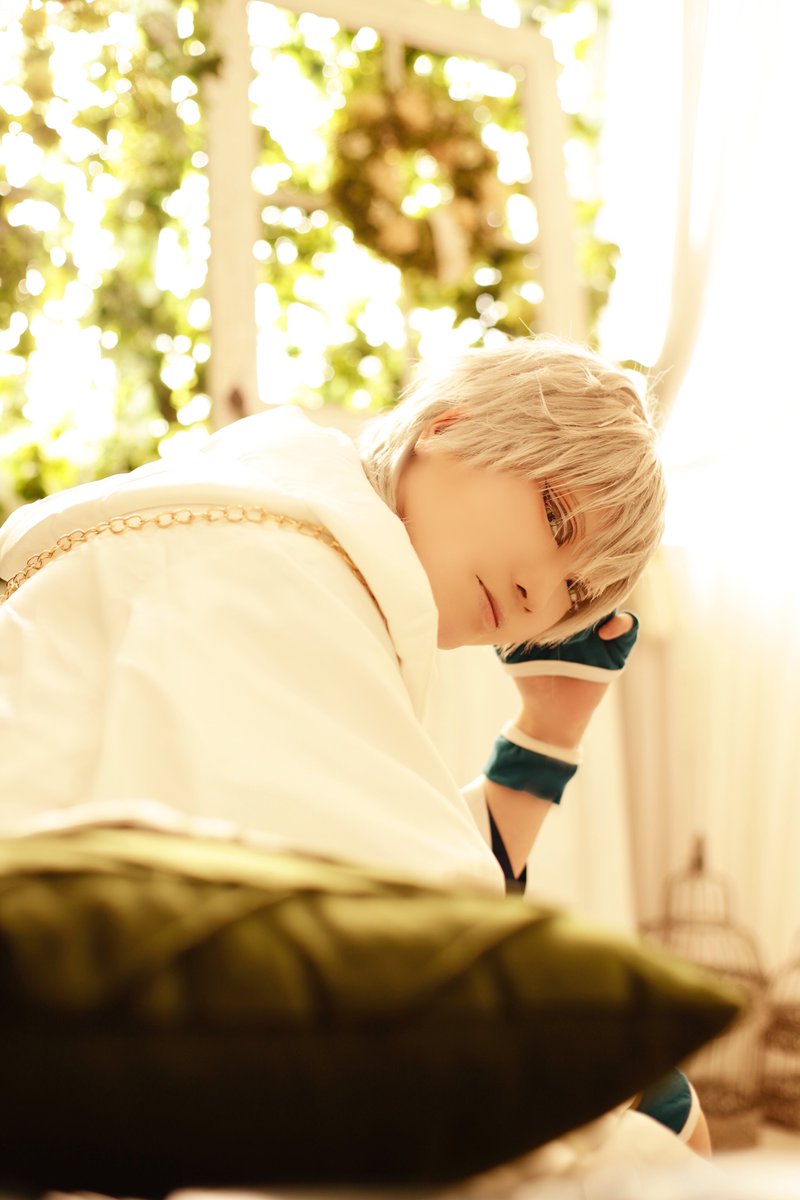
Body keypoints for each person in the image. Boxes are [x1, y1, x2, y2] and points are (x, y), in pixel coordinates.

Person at [0, 333, 705, 1149]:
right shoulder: (283, 570)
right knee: (664, 1114)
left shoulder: (274, 530)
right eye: (555, 516)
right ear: (446, 426)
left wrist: (549, 731)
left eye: (575, 592)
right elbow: (428, 940)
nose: (535, 596)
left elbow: (365, 864)